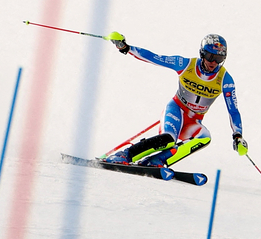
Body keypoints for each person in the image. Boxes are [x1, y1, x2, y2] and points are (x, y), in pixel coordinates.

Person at [103, 32, 247, 168]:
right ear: (202, 53)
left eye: (219, 59)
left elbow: (233, 111)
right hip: (176, 110)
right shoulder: (185, 64)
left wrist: (238, 136)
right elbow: (155, 57)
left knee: (205, 138)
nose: (213, 62)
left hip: (194, 120)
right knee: (169, 139)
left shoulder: (225, 80)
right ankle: (125, 155)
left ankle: (155, 161)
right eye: (210, 56)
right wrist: (126, 48)